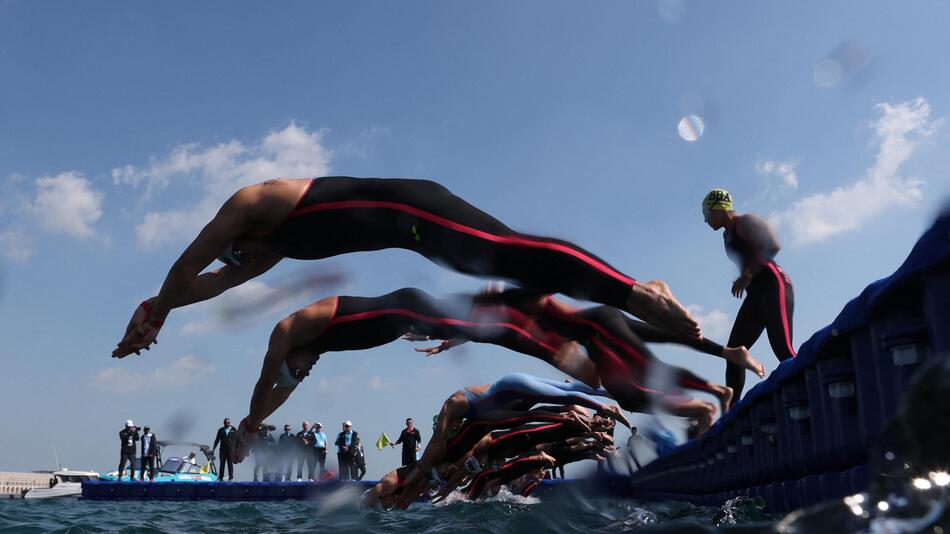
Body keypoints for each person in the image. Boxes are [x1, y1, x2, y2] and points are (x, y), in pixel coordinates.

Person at [112, 177, 702, 360]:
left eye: (237, 252)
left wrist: (158, 311)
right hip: (417, 239)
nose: (241, 263)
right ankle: (631, 293)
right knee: (512, 268)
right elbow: (208, 282)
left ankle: (634, 292)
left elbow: (189, 261)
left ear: (235, 236)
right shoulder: (265, 250)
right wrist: (152, 310)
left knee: (509, 252)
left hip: (415, 208)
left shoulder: (253, 202)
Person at [228, 288, 735, 463]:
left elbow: (263, 388)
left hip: (410, 306)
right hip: (415, 321)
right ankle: (589, 363)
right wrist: (256, 424)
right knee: (500, 332)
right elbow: (278, 395)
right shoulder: (304, 353)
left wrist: (251, 426)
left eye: (301, 368)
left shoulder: (289, 333)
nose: (307, 371)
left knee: (505, 325)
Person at [702, 188, 796, 402]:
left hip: (775, 285)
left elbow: (773, 245)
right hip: (756, 294)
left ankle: (809, 388)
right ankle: (733, 411)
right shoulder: (726, 235)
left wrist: (748, 275)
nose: (706, 221)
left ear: (718, 208)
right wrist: (747, 279)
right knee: (734, 353)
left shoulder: (745, 221)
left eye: (707, 214)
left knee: (783, 349)